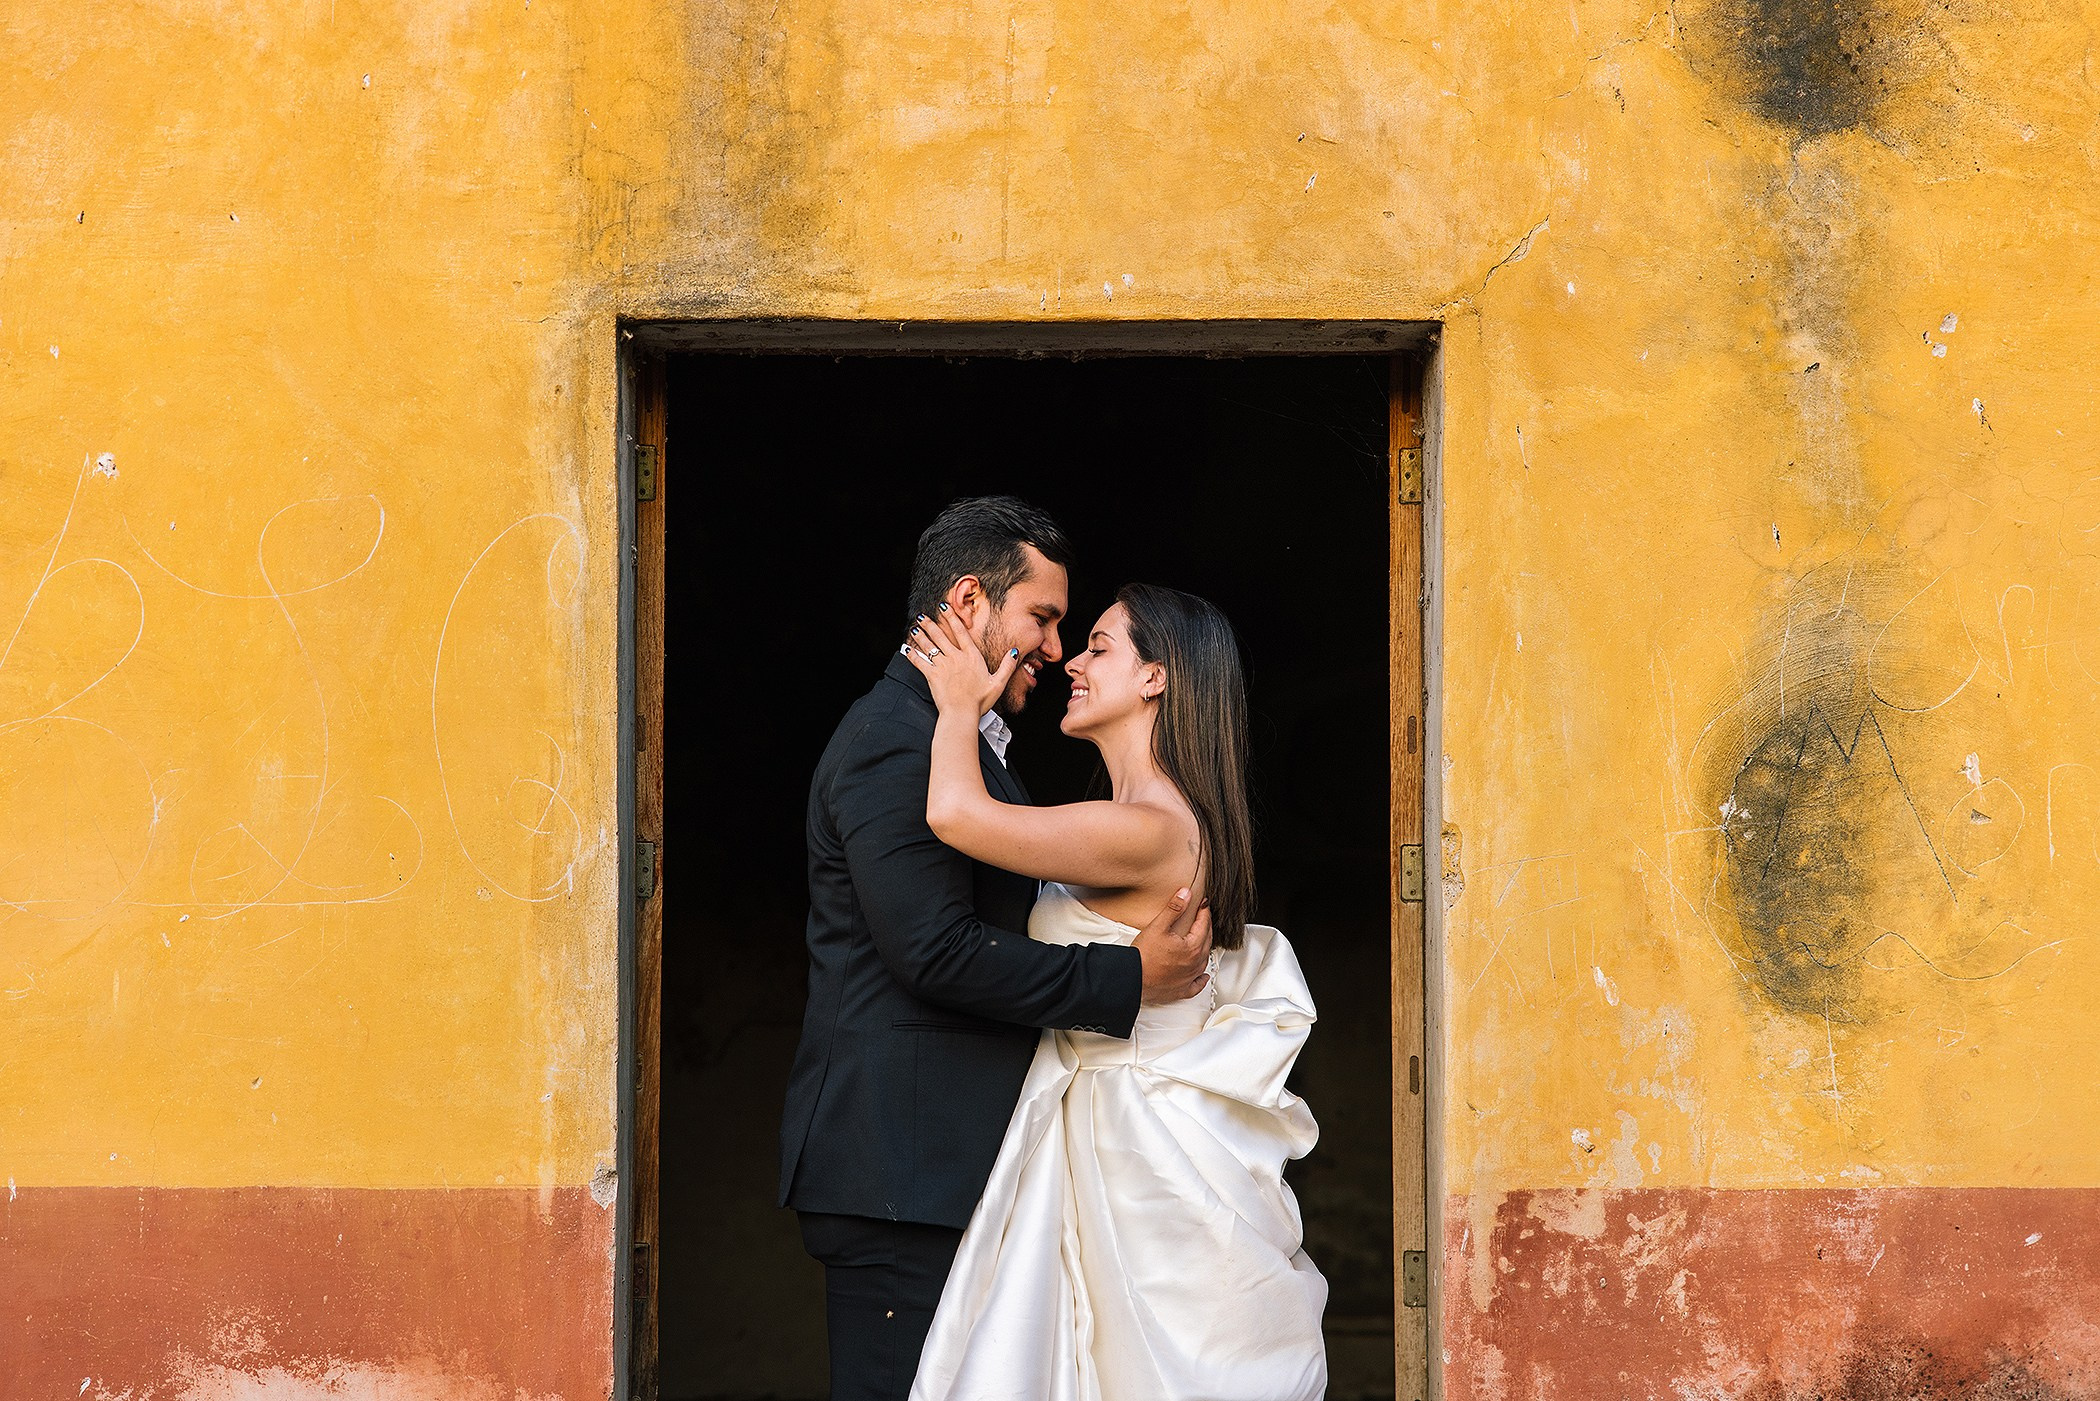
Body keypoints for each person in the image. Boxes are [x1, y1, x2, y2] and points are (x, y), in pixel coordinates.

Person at [779, 497, 1216, 1401]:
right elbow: (934, 952)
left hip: (943, 1168)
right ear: (970, 602)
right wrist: (1126, 977)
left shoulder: (964, 745)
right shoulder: (894, 742)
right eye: (1044, 619)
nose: (1055, 651)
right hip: (901, 1172)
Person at [902, 584, 1328, 1401]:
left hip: (1134, 1141)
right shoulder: (1143, 816)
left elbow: (954, 813)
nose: (1073, 662)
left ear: (1155, 679)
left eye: (1100, 646)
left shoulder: (1147, 828)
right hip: (1111, 1120)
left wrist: (958, 707)